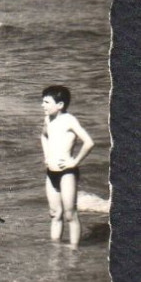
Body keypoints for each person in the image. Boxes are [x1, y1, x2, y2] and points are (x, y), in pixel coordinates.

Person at [41, 85, 96, 247]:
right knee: (55, 214)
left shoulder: (69, 120)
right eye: (42, 101)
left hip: (67, 173)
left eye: (46, 102)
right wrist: (47, 155)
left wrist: (75, 161)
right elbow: (43, 136)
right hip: (51, 173)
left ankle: (73, 250)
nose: (42, 105)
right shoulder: (48, 119)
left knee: (70, 214)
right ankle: (55, 248)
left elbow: (89, 142)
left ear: (60, 105)